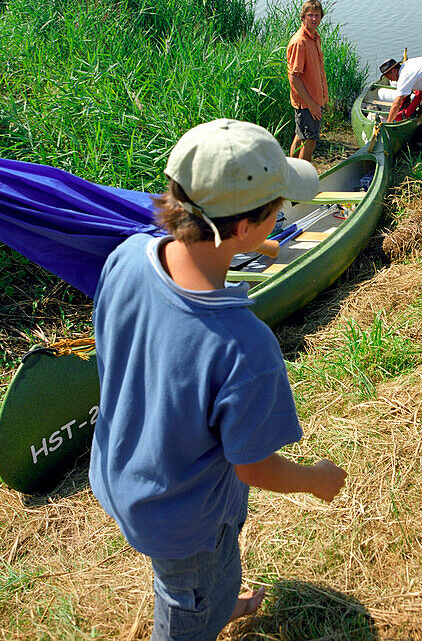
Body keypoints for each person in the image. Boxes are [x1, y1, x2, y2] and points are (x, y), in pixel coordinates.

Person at [89, 119, 348, 640]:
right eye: (277, 211)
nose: (279, 220)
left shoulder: (127, 257)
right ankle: (201, 612)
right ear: (248, 227)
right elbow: (253, 467)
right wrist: (315, 480)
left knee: (196, 580)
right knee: (188, 602)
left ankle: (215, 602)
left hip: (124, 470)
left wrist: (247, 249)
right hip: (184, 521)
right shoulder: (244, 347)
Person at [287, 0, 329, 161]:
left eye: (317, 15)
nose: (314, 19)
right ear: (303, 17)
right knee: (309, 141)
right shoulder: (300, 42)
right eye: (310, 15)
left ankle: (292, 172)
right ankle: (303, 178)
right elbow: (294, 78)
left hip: (315, 100)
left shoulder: (314, 37)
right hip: (306, 102)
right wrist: (311, 105)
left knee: (301, 136)